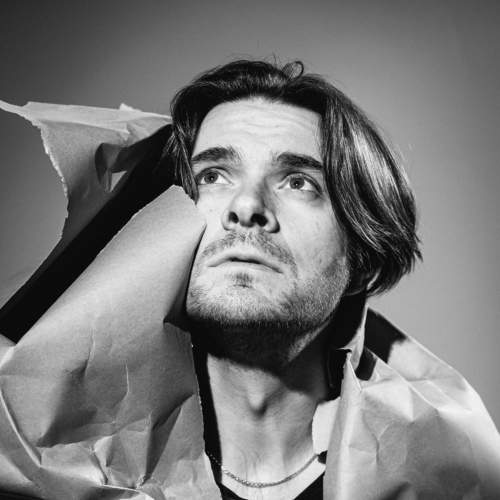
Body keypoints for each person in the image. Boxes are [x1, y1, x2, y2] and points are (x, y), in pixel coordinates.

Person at [0, 59, 499, 500]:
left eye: (299, 182)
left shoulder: (454, 482)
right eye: (213, 176)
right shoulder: (40, 463)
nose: (246, 206)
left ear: (362, 259)